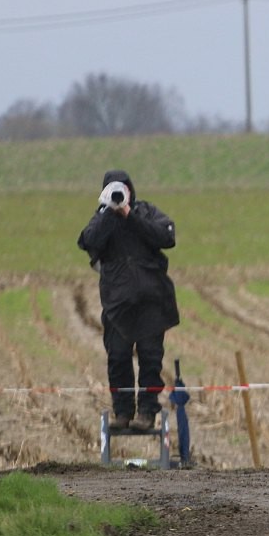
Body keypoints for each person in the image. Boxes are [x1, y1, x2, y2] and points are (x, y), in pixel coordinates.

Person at [77, 170, 179, 431]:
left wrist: (129, 215)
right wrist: (109, 213)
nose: (119, 194)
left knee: (150, 359)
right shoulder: (101, 218)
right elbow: (88, 241)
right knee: (118, 357)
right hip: (117, 304)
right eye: (113, 190)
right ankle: (122, 412)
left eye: (122, 189)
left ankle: (147, 412)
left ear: (131, 190)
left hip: (151, 301)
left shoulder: (146, 212)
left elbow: (166, 237)